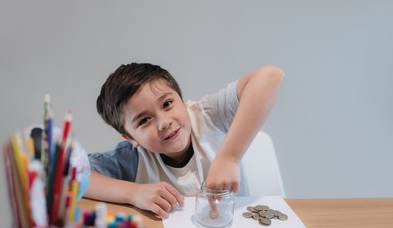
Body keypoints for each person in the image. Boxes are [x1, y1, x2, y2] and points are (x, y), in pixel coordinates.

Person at [85, 63, 284, 218]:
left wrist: (229, 158)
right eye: (145, 120)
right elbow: (68, 175)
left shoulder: (209, 117)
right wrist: (133, 193)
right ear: (130, 138)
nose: (164, 122)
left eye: (168, 104)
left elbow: (271, 76)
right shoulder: (131, 158)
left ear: (183, 100)